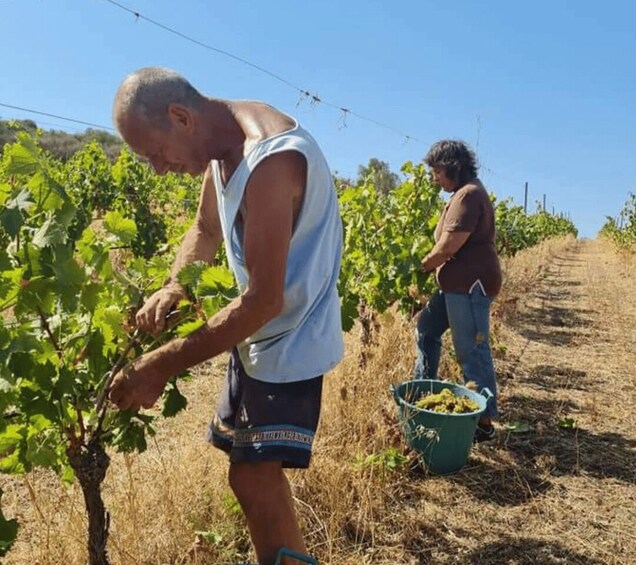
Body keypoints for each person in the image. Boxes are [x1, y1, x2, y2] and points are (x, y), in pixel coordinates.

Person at [108, 67, 344, 565]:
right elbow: (205, 228)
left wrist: (161, 363)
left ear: (180, 117)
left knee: (254, 477)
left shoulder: (270, 161)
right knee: (248, 476)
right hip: (255, 336)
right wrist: (175, 284)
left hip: (291, 340)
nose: (159, 170)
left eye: (156, 153)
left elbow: (263, 299)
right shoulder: (222, 152)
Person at [414, 139, 501, 443]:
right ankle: (421, 392)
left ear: (455, 166)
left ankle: (484, 422)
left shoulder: (469, 195)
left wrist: (419, 268)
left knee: (471, 350)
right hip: (452, 286)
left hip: (469, 287)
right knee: (426, 329)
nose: (434, 178)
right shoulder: (460, 194)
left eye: (437, 171)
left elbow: (448, 246)